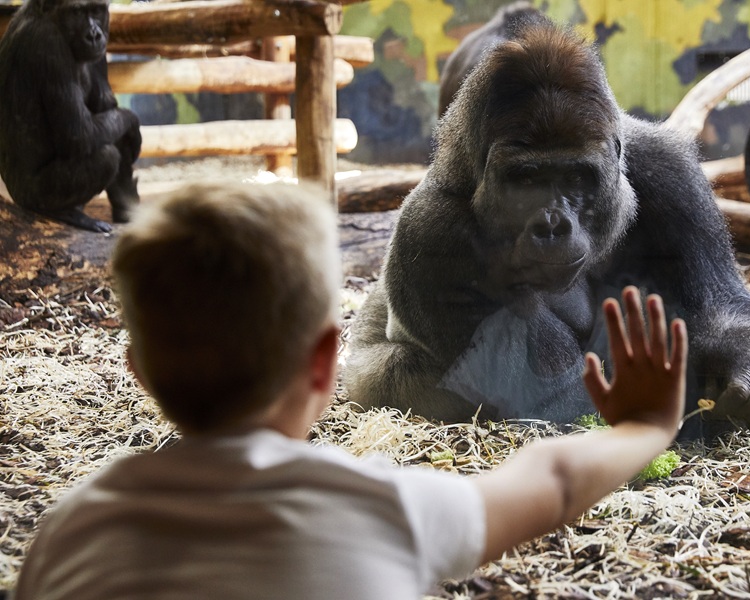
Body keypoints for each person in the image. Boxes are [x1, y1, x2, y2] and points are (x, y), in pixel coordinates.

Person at [14, 182, 687, 599]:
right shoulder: (378, 507)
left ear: (140, 372)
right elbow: (557, 481)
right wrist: (645, 428)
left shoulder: (70, 530)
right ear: (324, 364)